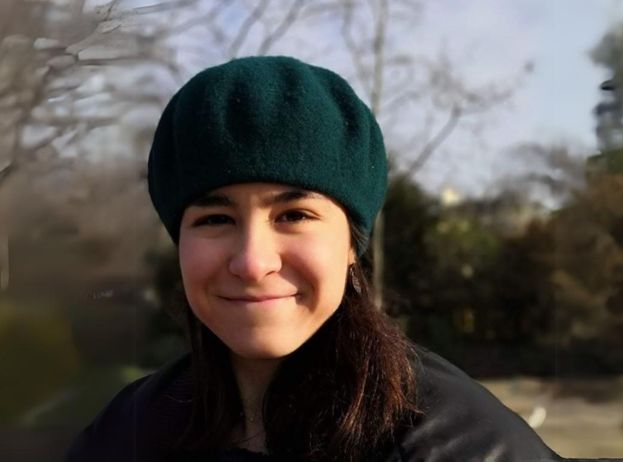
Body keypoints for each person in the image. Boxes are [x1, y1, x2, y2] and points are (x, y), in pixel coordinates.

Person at [65, 56, 560, 462]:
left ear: (351, 244)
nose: (253, 262)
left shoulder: (459, 446)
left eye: (294, 215)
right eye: (215, 219)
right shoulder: (130, 431)